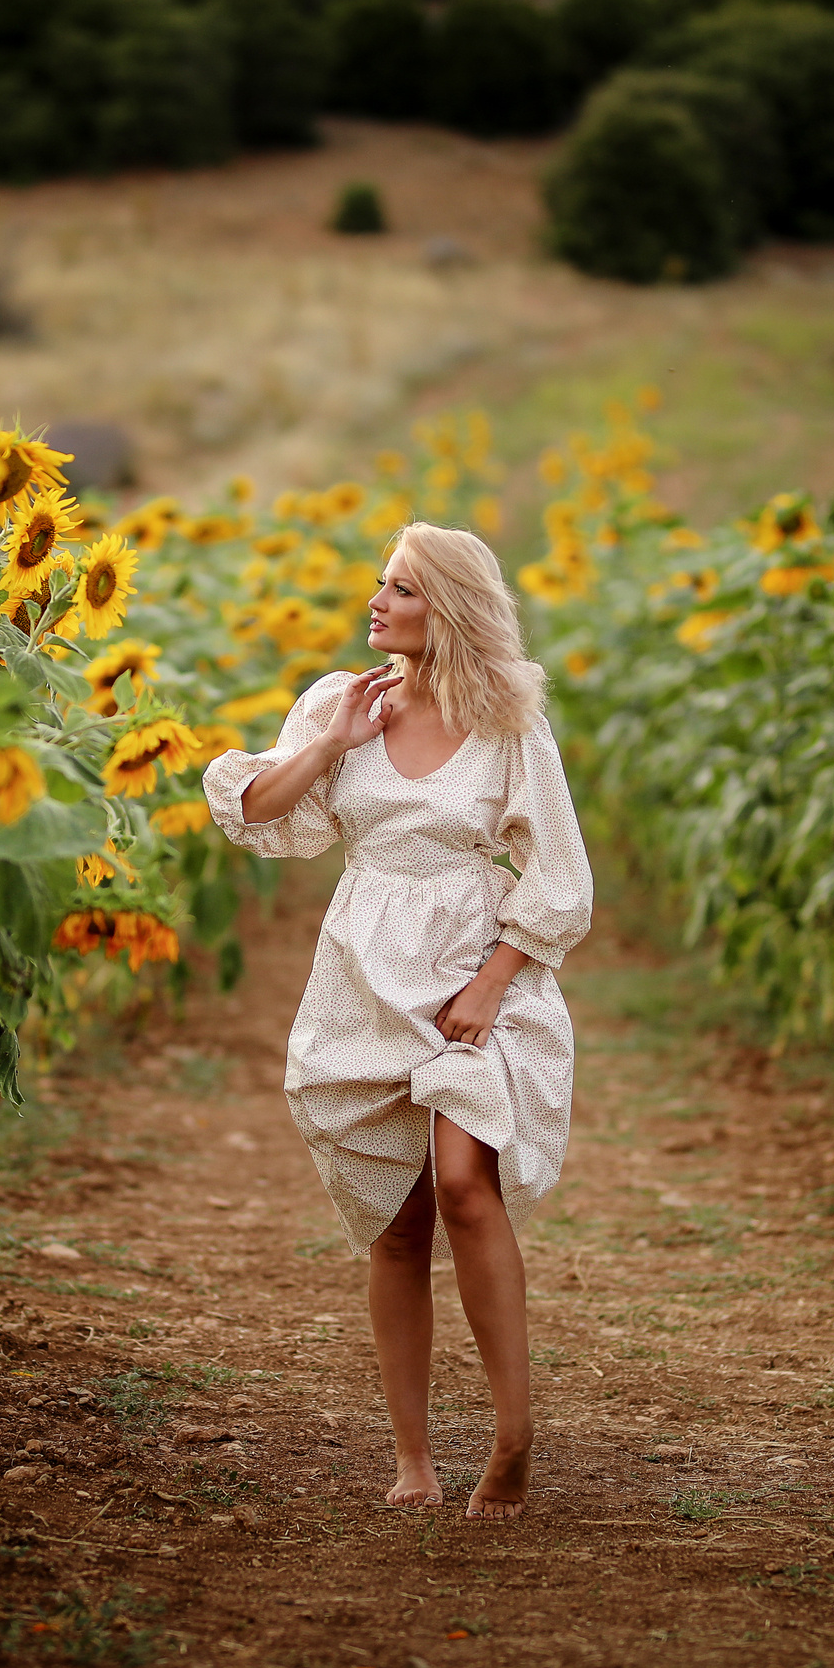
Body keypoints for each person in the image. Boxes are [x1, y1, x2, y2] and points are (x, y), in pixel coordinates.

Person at [201, 522, 592, 1518]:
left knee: (465, 1186)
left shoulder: (508, 720)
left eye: (402, 589)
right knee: (393, 1220)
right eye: (380, 584)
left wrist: (492, 982)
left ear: (448, 609)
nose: (376, 601)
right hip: (362, 969)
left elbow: (558, 874)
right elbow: (256, 811)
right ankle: (412, 1460)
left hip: (474, 972)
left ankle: (512, 1441)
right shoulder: (343, 701)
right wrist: (334, 744)